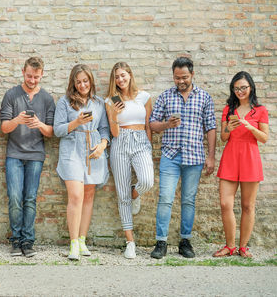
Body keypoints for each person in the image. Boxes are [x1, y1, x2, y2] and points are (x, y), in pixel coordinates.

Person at [149, 57, 216, 259]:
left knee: (188, 201)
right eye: (177, 78)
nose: (181, 81)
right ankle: (161, 242)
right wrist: (166, 125)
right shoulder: (165, 97)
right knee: (165, 199)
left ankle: (185, 241)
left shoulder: (204, 97)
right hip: (170, 155)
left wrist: (211, 156)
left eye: (184, 77)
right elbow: (152, 124)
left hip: (195, 157)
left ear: (192, 75)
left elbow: (211, 127)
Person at [0, 57, 55, 258]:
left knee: (30, 199)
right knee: (15, 198)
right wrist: (17, 119)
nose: (32, 80)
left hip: (35, 155)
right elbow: (4, 128)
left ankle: (27, 240)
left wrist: (39, 124)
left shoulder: (48, 99)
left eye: (36, 77)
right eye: (29, 76)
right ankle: (15, 240)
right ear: (23, 72)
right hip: (14, 154)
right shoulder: (11, 95)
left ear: (42, 75)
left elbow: (51, 132)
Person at [54, 64, 110, 260]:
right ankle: (73, 243)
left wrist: (103, 145)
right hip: (71, 149)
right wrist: (76, 122)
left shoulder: (99, 102)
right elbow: (57, 130)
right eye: (78, 82)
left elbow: (104, 128)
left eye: (85, 81)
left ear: (91, 81)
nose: (82, 85)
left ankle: (82, 240)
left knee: (88, 195)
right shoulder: (64, 102)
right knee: (76, 196)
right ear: (73, 83)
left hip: (93, 149)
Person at [213, 71, 269, 258]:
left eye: (243, 87)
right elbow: (223, 137)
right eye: (236, 88)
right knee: (225, 204)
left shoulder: (260, 110)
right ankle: (229, 246)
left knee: (247, 206)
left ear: (250, 87)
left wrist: (250, 126)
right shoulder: (229, 109)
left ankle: (243, 247)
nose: (240, 91)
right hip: (230, 156)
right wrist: (229, 127)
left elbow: (264, 138)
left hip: (250, 158)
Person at [105, 62, 154, 259]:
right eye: (117, 77)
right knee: (122, 195)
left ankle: (136, 194)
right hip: (120, 143)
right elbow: (114, 133)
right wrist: (115, 114)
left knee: (147, 181)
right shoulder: (110, 101)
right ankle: (130, 242)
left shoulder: (144, 97)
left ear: (130, 75)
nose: (120, 80)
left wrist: (149, 147)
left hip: (141, 141)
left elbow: (148, 125)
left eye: (123, 75)